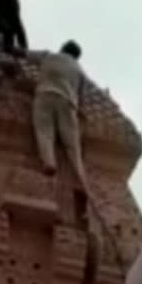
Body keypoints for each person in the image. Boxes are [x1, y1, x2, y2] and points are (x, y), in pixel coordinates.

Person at [32, 41, 86, 180]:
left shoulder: (48, 56)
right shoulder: (78, 69)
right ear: (76, 56)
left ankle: (49, 162)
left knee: (44, 130)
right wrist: (80, 111)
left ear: (62, 49)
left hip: (45, 95)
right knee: (72, 142)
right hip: (68, 103)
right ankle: (79, 173)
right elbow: (81, 95)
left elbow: (25, 55)